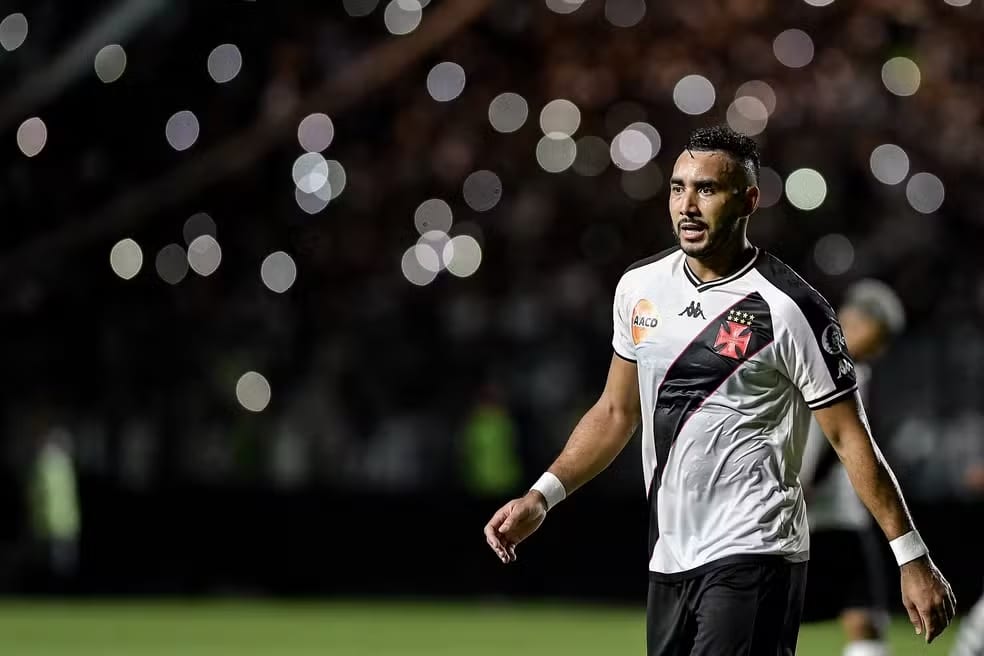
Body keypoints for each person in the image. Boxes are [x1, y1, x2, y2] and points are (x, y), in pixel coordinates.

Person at [483, 125, 956, 655]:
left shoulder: (790, 309)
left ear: (748, 200)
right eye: (678, 188)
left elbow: (850, 438)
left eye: (706, 189)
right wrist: (541, 497)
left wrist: (911, 556)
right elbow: (616, 412)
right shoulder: (639, 288)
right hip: (669, 553)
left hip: (756, 549)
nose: (687, 205)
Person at [799, 279, 907, 656]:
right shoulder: (834, 364)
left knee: (864, 619)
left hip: (825, 510)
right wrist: (806, 484)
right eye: (877, 338)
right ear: (853, 321)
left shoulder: (839, 362)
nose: (878, 350)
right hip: (817, 510)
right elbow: (838, 441)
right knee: (864, 620)